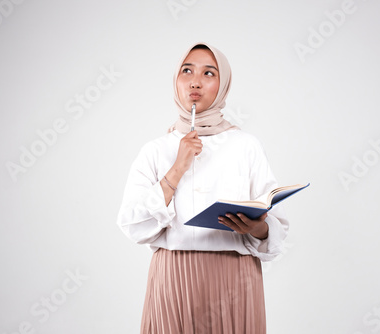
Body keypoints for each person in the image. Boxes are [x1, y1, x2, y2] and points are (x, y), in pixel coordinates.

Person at [117, 42, 289, 334]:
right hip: (172, 275)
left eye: (209, 73)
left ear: (223, 85)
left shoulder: (245, 145)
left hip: (234, 276)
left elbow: (274, 232)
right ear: (176, 80)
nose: (195, 81)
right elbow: (132, 224)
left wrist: (256, 227)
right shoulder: (156, 150)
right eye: (187, 71)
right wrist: (178, 167)